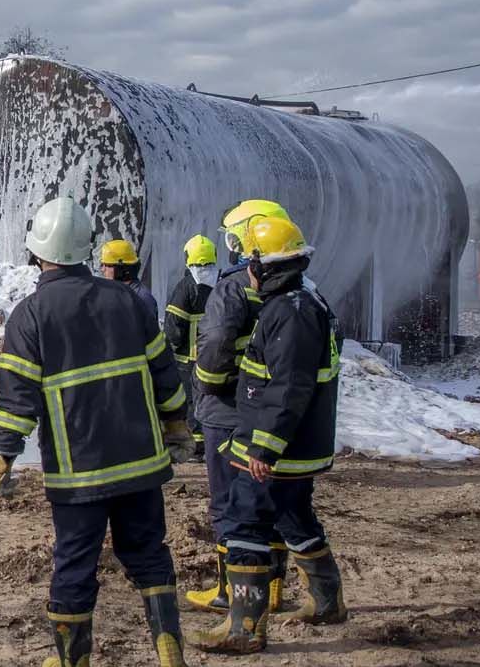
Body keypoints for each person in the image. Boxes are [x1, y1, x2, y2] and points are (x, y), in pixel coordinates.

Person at [0, 197, 195, 667]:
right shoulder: (126, 300)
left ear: (36, 251)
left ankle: (71, 660)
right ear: (85, 249)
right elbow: (166, 373)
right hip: (141, 464)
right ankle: (169, 649)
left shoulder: (31, 315)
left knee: (75, 565)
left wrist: (2, 457)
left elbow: (16, 398)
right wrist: (177, 424)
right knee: (147, 553)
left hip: (78, 473)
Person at [194, 214, 347, 654]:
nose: (247, 271)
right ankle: (327, 601)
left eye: (250, 263)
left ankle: (244, 628)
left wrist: (263, 445)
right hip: (295, 446)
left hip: (276, 446)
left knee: (245, 521)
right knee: (293, 517)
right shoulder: (302, 302)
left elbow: (289, 387)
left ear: (265, 265)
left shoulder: (290, 312)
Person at [186, 198, 301, 615]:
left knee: (229, 504)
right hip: (270, 413)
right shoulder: (297, 288)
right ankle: (271, 589)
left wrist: (207, 383)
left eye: (236, 237)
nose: (232, 246)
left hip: (227, 412)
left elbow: (215, 346)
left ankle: (228, 590)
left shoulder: (233, 287)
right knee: (266, 502)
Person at [164, 235, 219, 458]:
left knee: (191, 401)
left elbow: (174, 326)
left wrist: (170, 349)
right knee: (210, 399)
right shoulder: (222, 282)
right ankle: (211, 441)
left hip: (189, 358)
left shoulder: (187, 287)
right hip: (215, 355)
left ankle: (195, 447)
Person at [99, 238, 157, 318]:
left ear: (121, 269)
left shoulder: (142, 299)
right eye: (102, 265)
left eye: (107, 265)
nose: (102, 269)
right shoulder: (114, 293)